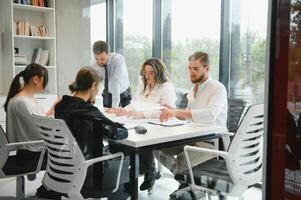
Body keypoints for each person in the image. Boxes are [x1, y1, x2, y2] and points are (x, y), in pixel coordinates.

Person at [52, 67, 129, 200]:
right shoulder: (88, 111)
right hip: (87, 172)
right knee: (129, 157)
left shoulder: (61, 105)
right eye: (98, 86)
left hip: (61, 167)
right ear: (93, 85)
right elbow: (119, 133)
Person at [158, 51, 228, 173]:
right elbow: (188, 115)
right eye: (189, 69)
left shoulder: (218, 88)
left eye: (195, 69)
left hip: (210, 141)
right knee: (158, 150)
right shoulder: (194, 88)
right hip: (191, 137)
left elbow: (210, 114)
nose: (191, 72)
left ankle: (187, 181)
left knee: (182, 160)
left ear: (207, 68)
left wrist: (177, 112)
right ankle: (183, 178)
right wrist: (172, 111)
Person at [113, 58, 177, 191]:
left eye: (151, 73)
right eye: (145, 72)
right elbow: (135, 103)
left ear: (158, 73)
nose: (147, 76)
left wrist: (142, 114)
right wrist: (123, 110)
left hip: (160, 126)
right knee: (123, 138)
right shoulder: (143, 84)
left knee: (142, 139)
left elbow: (164, 110)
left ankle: (146, 172)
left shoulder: (166, 87)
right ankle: (135, 173)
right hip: (142, 123)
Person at [4, 63, 51, 172]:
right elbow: (40, 132)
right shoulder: (22, 102)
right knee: (71, 157)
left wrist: (53, 109)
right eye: (45, 80)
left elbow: (37, 122)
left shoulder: (26, 99)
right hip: (32, 155)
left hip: (30, 152)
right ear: (36, 79)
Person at [93, 40, 132, 109]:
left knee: (123, 117)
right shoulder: (96, 63)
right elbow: (94, 80)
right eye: (96, 59)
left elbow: (115, 81)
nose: (99, 62)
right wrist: (92, 96)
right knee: (107, 117)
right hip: (107, 94)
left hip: (122, 94)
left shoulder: (118, 59)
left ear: (109, 53)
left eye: (102, 59)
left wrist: (114, 107)